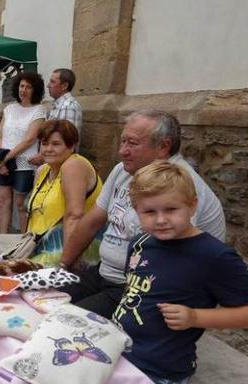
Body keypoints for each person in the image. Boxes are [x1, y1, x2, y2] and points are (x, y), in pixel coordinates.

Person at [113, 161, 248, 384]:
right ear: (136, 210)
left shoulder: (214, 256)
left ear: (192, 205)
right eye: (150, 212)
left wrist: (196, 317)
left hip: (159, 372)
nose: (161, 219)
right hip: (119, 354)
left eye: (171, 209)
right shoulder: (140, 244)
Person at [59, 110, 226, 317]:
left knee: (64, 323)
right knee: (43, 299)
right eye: (122, 141)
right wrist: (63, 265)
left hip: (139, 288)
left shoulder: (179, 183)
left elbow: (172, 261)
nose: (122, 151)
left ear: (163, 147)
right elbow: (93, 220)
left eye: (132, 143)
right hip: (106, 272)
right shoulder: (123, 170)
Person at [26, 119, 102, 267]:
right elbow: (34, 214)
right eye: (44, 143)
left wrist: (67, 264)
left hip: (68, 252)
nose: (48, 149)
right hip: (41, 248)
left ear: (71, 146)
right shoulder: (43, 170)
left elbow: (74, 216)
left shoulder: (74, 165)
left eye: (56, 144)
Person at [0, 71, 46, 233]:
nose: (24, 90)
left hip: (24, 163)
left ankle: (21, 243)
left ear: (35, 90)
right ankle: (1, 239)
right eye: (22, 86)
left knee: (21, 204)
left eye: (29, 87)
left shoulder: (39, 110)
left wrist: (5, 158)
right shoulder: (9, 109)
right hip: (3, 160)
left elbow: (30, 139)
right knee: (3, 202)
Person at [46, 68, 82, 133]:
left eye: (52, 82)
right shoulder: (57, 104)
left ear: (64, 86)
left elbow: (68, 139)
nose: (48, 85)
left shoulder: (69, 106)